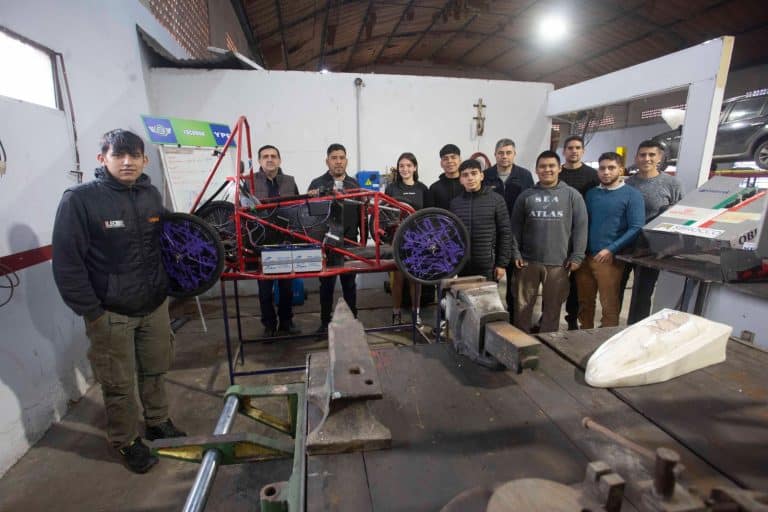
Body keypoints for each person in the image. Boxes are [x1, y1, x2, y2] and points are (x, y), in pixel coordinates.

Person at [52, 129, 185, 474]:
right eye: (118, 155)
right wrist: (93, 312)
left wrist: (171, 287)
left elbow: (167, 245)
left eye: (134, 156)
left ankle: (157, 421)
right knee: (119, 383)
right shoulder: (79, 200)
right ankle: (125, 441)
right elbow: (67, 264)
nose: (127, 162)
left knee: (156, 369)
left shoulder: (150, 194)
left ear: (144, 159)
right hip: (111, 313)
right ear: (102, 159)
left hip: (154, 305)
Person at [510, 150, 587, 333]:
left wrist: (577, 256)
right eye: (542, 166)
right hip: (528, 262)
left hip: (559, 263)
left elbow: (581, 227)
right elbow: (515, 228)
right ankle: (521, 343)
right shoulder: (526, 196)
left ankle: (547, 344)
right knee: (522, 307)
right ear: (536, 170)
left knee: (552, 308)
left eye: (551, 166)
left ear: (559, 168)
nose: (547, 170)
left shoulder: (572, 195)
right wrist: (515, 253)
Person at [575, 152, 645, 329]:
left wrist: (611, 249)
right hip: (585, 257)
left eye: (611, 168)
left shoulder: (632, 195)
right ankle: (584, 336)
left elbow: (636, 227)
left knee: (609, 305)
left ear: (620, 169)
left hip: (609, 259)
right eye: (602, 168)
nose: (606, 172)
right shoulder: (591, 194)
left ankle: (605, 340)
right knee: (585, 302)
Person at [624, 140, 684, 324]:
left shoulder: (671, 184)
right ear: (636, 157)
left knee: (642, 295)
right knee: (616, 292)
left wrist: (670, 248)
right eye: (642, 155)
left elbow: (678, 217)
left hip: (651, 250)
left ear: (660, 157)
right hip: (626, 246)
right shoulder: (628, 183)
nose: (647, 159)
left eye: (651, 155)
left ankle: (635, 333)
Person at [308, 143, 360, 335]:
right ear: (327, 161)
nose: (338, 162)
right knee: (326, 286)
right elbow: (309, 216)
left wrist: (361, 241)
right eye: (334, 158)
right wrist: (312, 196)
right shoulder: (316, 184)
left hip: (349, 243)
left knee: (349, 285)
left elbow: (362, 214)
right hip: (326, 244)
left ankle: (353, 321)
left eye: (341, 157)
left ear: (346, 160)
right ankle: (324, 324)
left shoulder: (354, 185)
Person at [253, 144, 301, 337]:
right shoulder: (250, 182)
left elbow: (299, 208)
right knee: (265, 289)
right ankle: (269, 325)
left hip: (285, 239)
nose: (270, 159)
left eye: (273, 156)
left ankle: (286, 322)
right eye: (265, 156)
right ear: (259, 161)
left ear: (280, 160)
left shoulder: (290, 181)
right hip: (260, 241)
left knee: (286, 286)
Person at [385, 152, 432, 325]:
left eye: (408, 165)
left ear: (415, 167)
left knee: (415, 279)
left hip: (418, 241)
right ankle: (396, 314)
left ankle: (415, 314)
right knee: (398, 279)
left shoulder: (422, 189)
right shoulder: (391, 188)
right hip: (398, 240)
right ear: (398, 168)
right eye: (401, 166)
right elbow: (385, 213)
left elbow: (428, 216)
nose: (405, 169)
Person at [559, 135, 600, 330]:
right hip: (559, 234)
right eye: (569, 148)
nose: (573, 151)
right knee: (554, 281)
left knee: (577, 283)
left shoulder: (592, 175)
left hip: (580, 233)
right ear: (564, 151)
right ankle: (547, 316)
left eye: (577, 148)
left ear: (582, 151)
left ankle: (572, 318)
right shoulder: (557, 173)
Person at [449, 159, 511, 282]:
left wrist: (502, 264)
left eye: (474, 173)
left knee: (485, 301)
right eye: (465, 175)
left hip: (487, 266)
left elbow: (505, 232)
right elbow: (451, 235)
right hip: (462, 266)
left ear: (481, 176)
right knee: (463, 300)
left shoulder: (496, 200)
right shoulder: (455, 203)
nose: (470, 178)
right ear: (461, 180)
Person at [429, 144, 463, 210]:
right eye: (445, 159)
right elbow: (430, 215)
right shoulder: (434, 188)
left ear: (460, 160)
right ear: (441, 163)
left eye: (453, 157)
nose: (450, 161)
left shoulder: (468, 185)